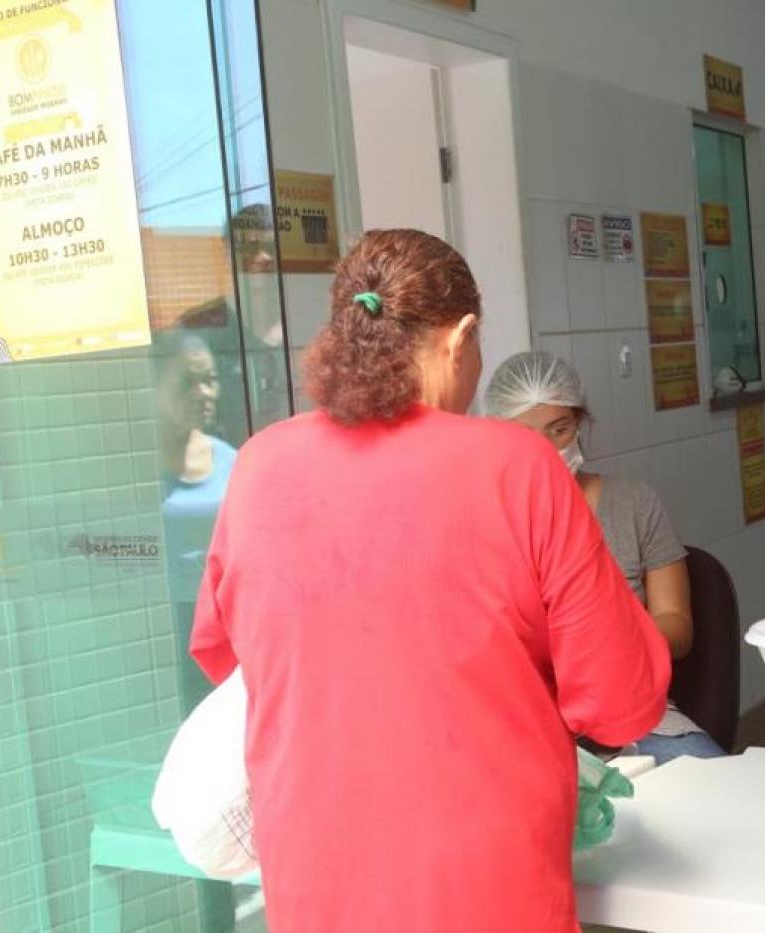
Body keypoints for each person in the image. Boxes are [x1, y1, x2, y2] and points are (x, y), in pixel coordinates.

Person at [187, 229, 670, 931]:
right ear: (461, 336)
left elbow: (223, 653)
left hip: (312, 881)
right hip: (482, 884)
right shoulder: (520, 467)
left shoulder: (260, 465)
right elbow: (621, 701)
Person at [485, 352, 726, 765]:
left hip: (635, 717)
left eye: (558, 430)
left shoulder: (632, 504)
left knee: (716, 791)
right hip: (527, 724)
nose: (544, 449)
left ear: (579, 423)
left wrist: (605, 647)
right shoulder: (485, 521)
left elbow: (677, 628)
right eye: (526, 437)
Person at [154, 328, 238, 713]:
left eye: (210, 380)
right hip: (162, 621)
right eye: (189, 382)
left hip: (221, 621)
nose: (204, 394)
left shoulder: (231, 460)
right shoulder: (134, 468)